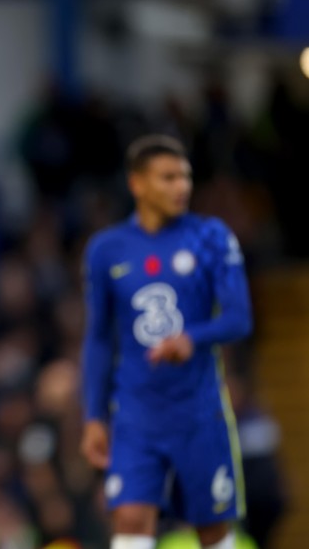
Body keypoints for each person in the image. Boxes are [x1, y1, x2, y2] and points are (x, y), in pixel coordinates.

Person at [78, 134, 253, 549]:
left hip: (199, 412)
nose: (182, 187)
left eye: (186, 177)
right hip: (136, 413)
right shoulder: (107, 249)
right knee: (131, 517)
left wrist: (193, 337)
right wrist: (92, 416)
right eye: (168, 177)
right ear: (137, 184)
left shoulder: (211, 237)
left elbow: (239, 317)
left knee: (211, 529)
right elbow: (99, 339)